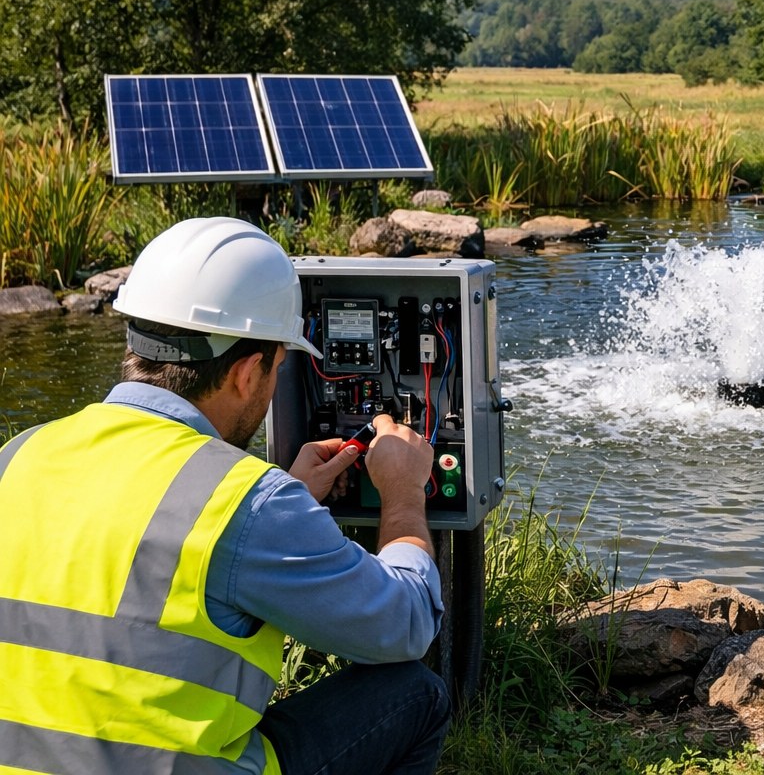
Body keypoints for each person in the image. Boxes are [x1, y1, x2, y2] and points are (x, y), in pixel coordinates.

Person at [0, 217, 450, 774]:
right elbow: (403, 626)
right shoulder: (244, 501)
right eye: (279, 368)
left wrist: (286, 499)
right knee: (415, 693)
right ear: (246, 373)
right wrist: (403, 495)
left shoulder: (20, 454)